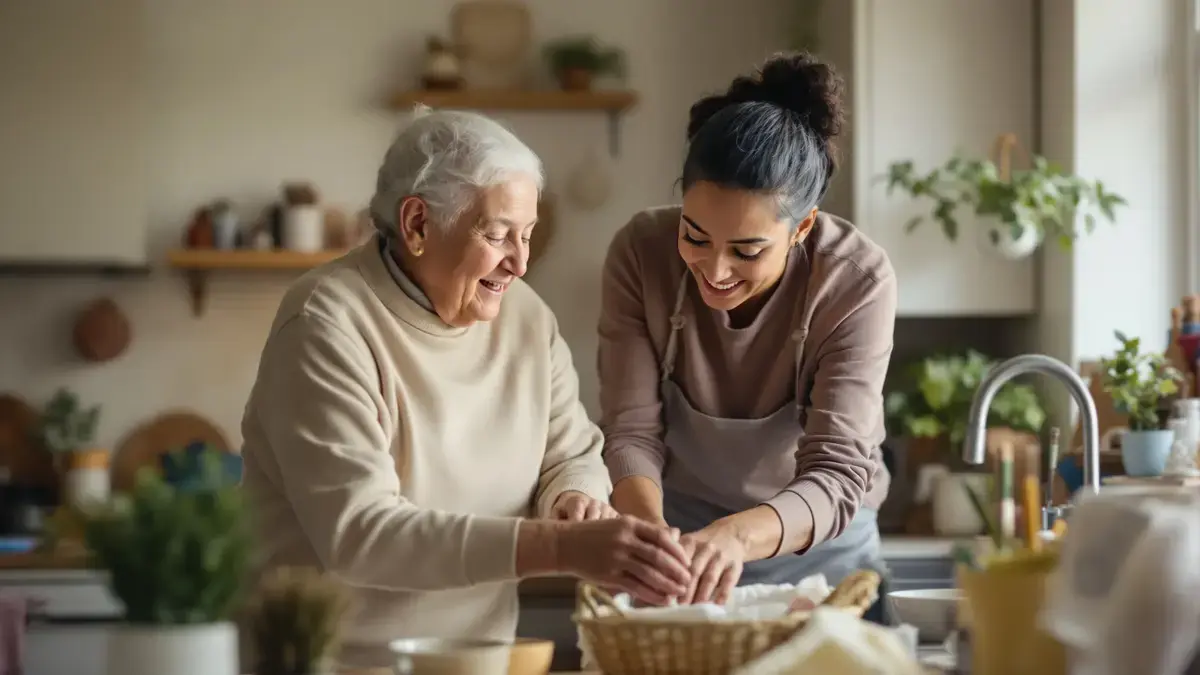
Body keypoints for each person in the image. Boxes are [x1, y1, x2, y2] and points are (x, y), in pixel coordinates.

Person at [239, 107, 691, 669]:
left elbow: (570, 452)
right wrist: (559, 547)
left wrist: (573, 498)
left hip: (476, 661)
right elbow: (359, 533)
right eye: (498, 234)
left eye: (527, 235)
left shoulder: (527, 319)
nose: (520, 262)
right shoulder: (325, 321)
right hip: (335, 662)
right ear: (418, 225)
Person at [598, 52, 896, 615]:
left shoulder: (855, 279)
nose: (714, 270)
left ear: (802, 226)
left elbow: (836, 470)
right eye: (695, 235)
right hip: (683, 539)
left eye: (747, 250)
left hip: (823, 553)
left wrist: (735, 538)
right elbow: (631, 432)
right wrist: (654, 544)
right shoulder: (640, 253)